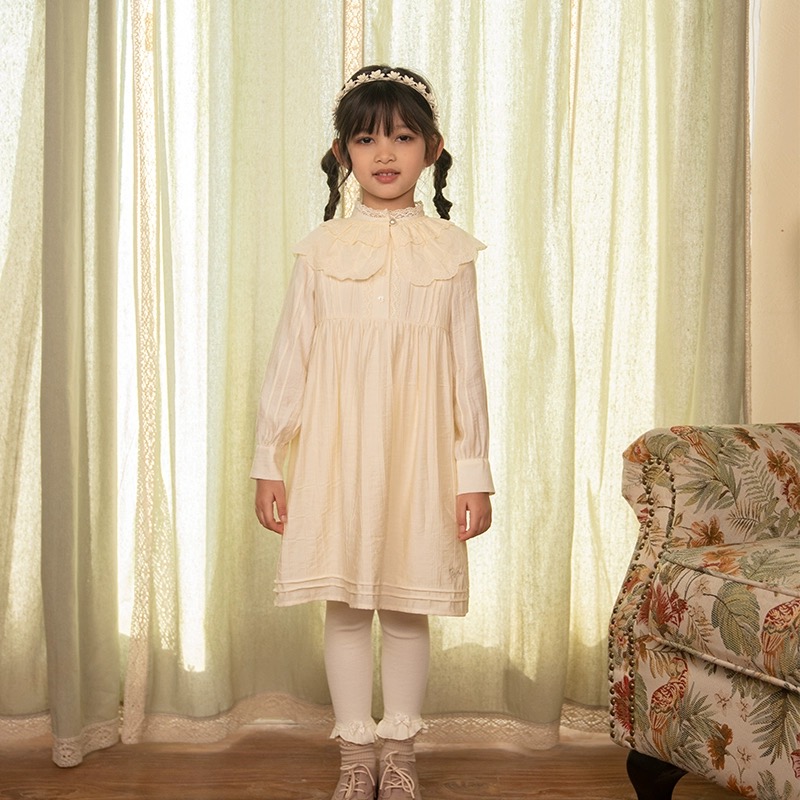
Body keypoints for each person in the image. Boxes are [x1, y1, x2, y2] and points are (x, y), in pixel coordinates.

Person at [251, 64, 494, 800]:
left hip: (421, 457)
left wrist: (473, 472)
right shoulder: (321, 251)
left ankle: (401, 754)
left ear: (432, 149)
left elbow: (467, 370)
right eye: (366, 139)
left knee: (409, 605)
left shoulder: (451, 254)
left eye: (402, 137)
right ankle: (356, 756)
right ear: (342, 153)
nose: (384, 152)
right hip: (338, 452)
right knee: (348, 606)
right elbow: (291, 356)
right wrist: (269, 458)